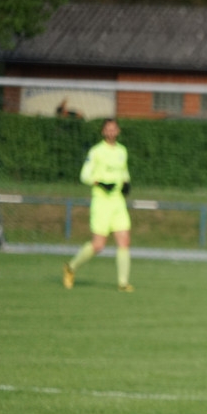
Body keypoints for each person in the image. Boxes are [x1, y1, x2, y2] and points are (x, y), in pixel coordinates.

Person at [63, 118, 134, 292]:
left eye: (114, 129)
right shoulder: (96, 151)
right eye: (108, 129)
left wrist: (126, 183)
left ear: (118, 131)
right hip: (101, 202)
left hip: (118, 201)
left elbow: (124, 172)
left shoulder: (122, 151)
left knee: (124, 240)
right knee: (98, 245)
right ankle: (71, 268)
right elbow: (84, 175)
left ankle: (123, 283)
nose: (111, 132)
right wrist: (99, 182)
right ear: (103, 132)